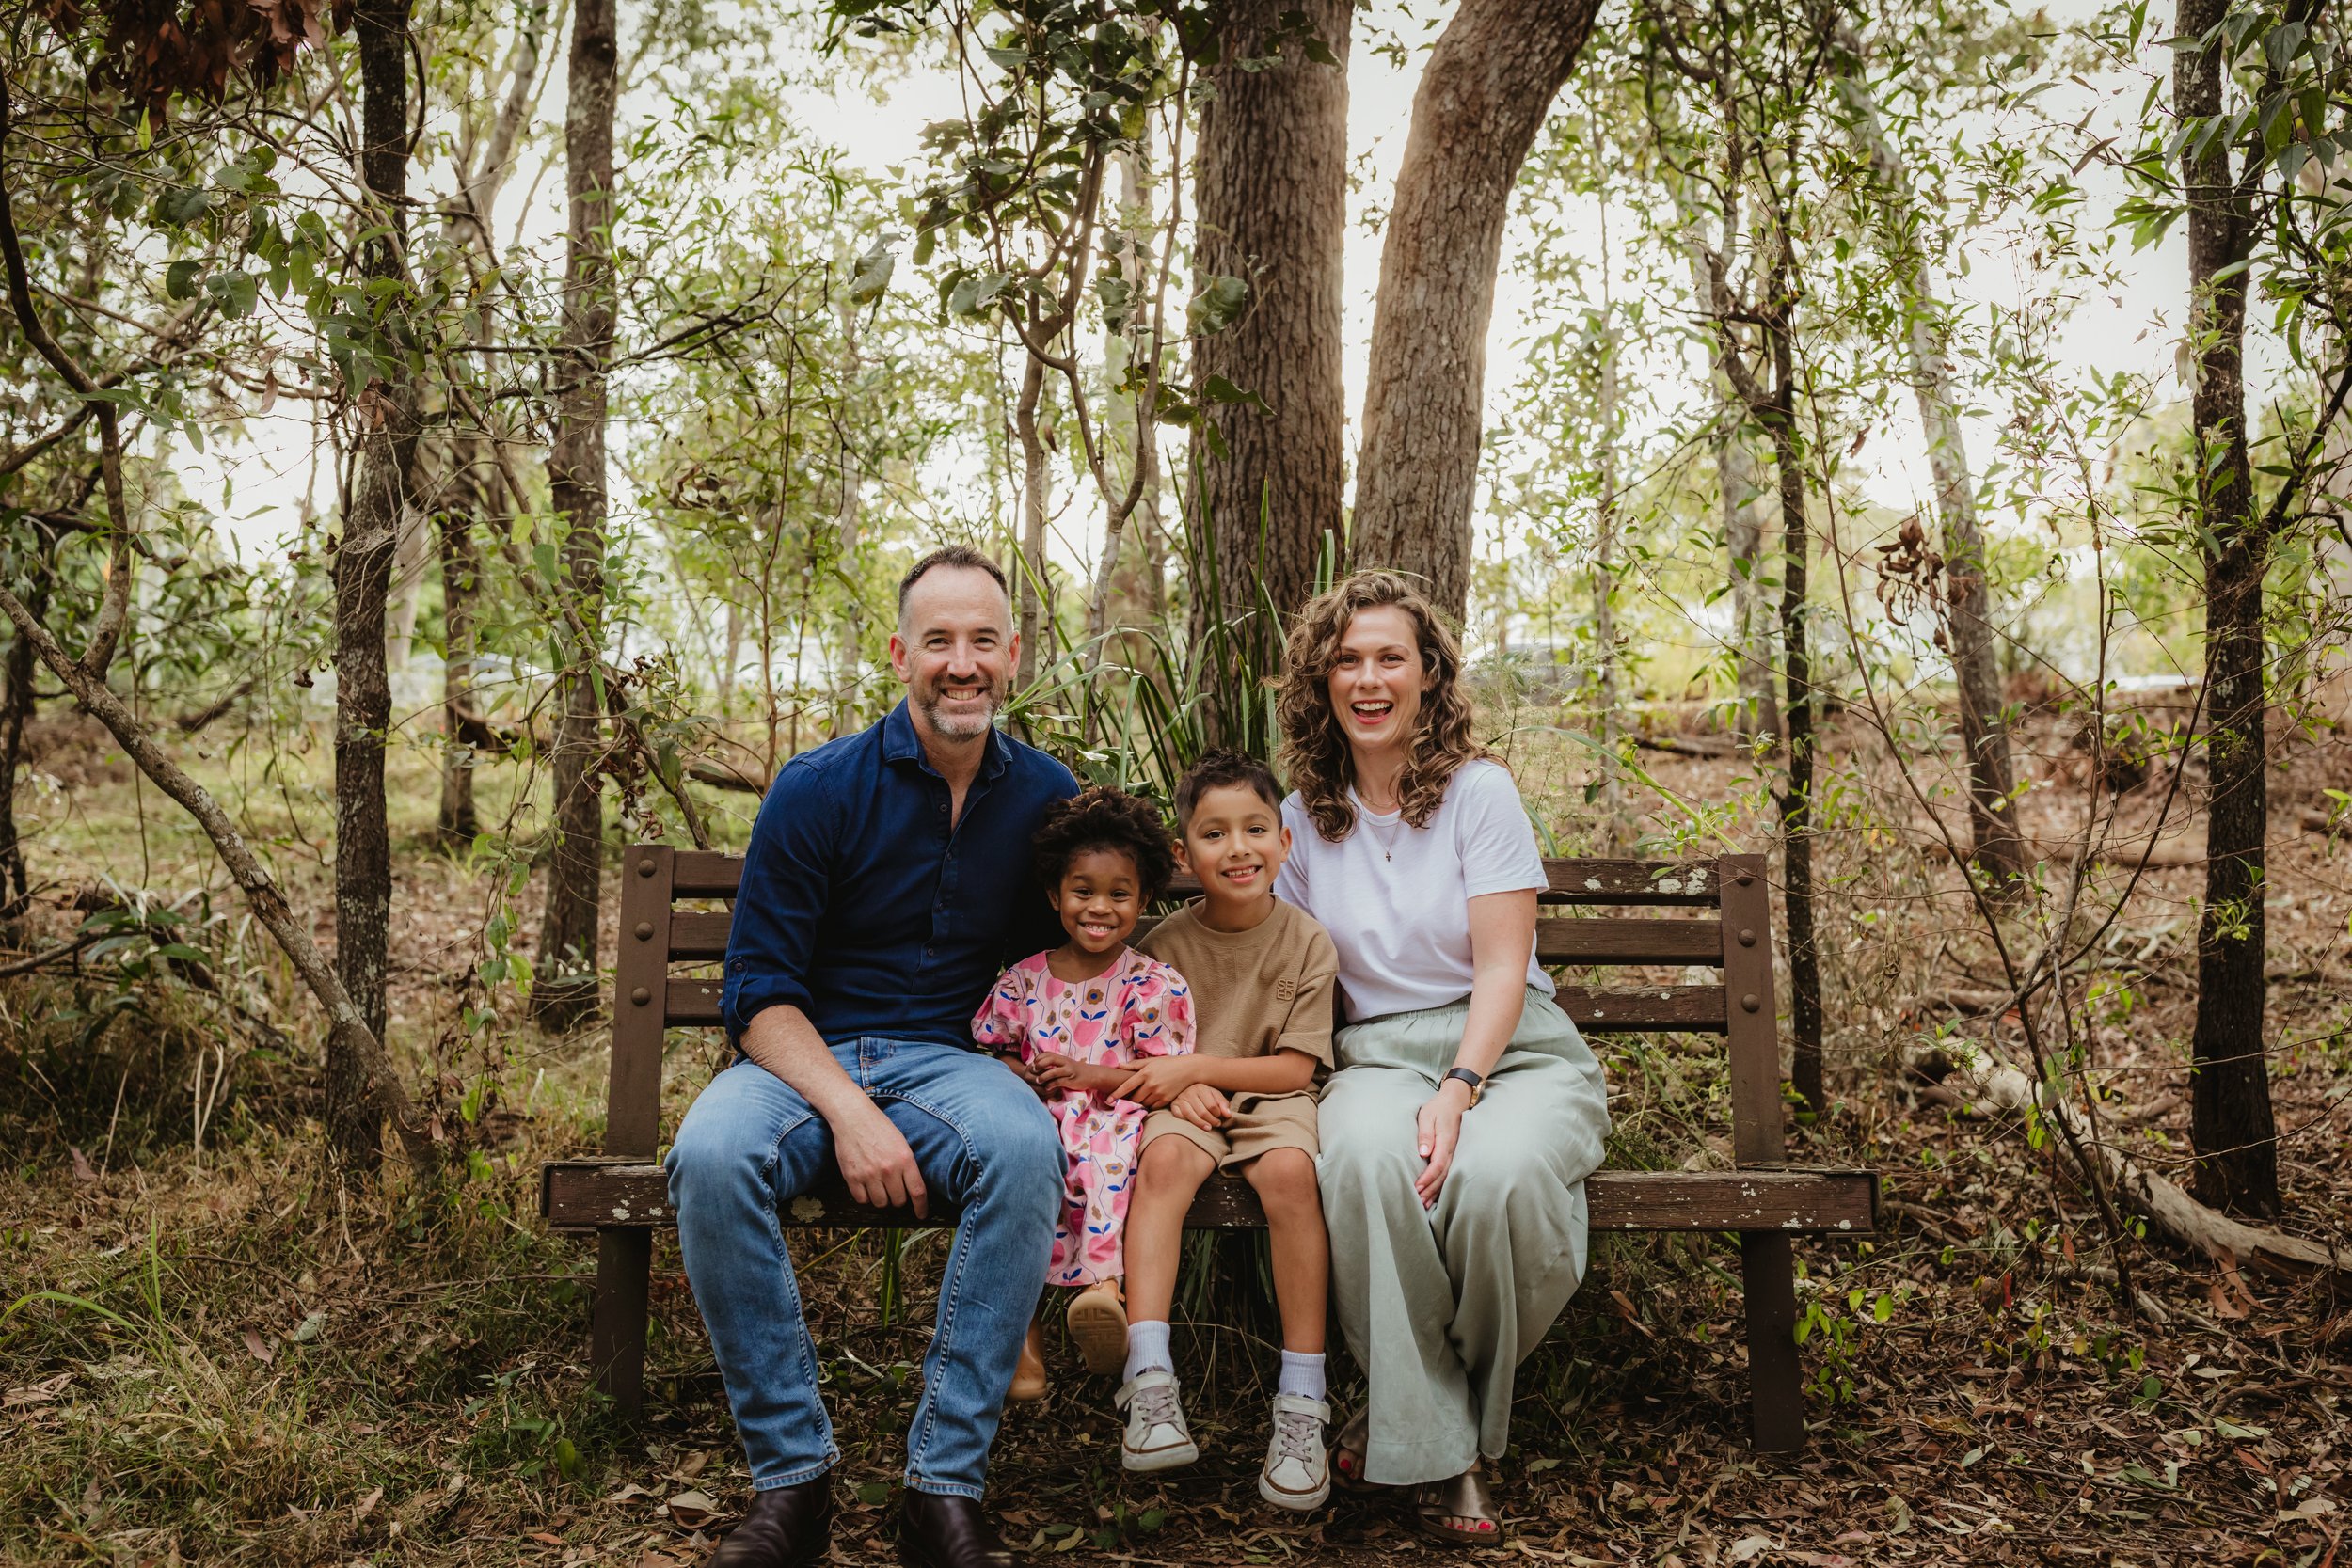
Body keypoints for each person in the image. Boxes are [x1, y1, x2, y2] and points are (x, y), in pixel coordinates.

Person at [665, 546, 1075, 1568]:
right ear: (900, 653)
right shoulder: (818, 788)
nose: (961, 661)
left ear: (1013, 655)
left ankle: (943, 1486)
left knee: (1026, 1148)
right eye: (938, 639)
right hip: (801, 1063)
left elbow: (1067, 955)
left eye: (983, 638)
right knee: (711, 1157)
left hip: (953, 1065)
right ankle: (792, 1483)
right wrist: (850, 1110)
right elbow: (756, 996)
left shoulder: (1048, 799)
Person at [1270, 571, 1611, 1546]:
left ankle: (1416, 1410)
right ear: (1321, 680)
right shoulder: (1300, 816)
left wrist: (1461, 1085)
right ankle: (1450, 1453)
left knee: (1499, 1179)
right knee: (1366, 1160)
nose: (1368, 678)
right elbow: (1289, 970)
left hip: (1512, 1050)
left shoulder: (1478, 790)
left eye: (1389, 657)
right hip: (1374, 1056)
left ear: (1427, 674)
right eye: (1347, 659)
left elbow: (1505, 966)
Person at [1120, 749, 1342, 1511]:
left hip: (1269, 1097)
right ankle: (1149, 1382)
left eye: (1255, 829)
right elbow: (1142, 1052)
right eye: (1214, 834)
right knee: (1163, 1168)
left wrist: (1195, 1067)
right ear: (1183, 854)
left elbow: (1293, 1071)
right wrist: (1176, 1084)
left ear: (1285, 841)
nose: (1238, 848)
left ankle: (1302, 1404)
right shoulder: (1162, 947)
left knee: (1289, 1175)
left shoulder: (1308, 940)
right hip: (1184, 1105)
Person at [971, 787, 1193, 1394]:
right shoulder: (1024, 978)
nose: (1100, 908)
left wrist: (1091, 1077)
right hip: (1034, 1110)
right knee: (1016, 1156)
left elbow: (1161, 1074)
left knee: (1101, 1151)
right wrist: (1023, 1074)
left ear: (1144, 898)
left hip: (1113, 1113)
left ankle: (1102, 1292)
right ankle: (1022, 1340)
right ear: (1054, 895)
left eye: (1120, 894)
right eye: (1083, 891)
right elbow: (992, 1051)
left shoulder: (1149, 983)